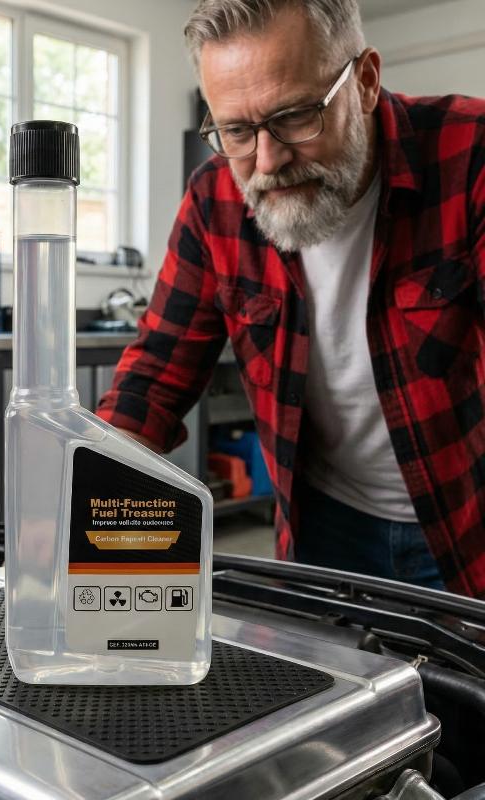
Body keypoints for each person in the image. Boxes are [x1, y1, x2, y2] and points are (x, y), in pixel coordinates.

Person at [95, 0, 485, 597]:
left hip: (467, 523)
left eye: (297, 116)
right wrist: (89, 499)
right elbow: (154, 377)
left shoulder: (471, 154)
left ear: (365, 82)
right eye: (236, 131)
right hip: (324, 526)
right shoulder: (214, 200)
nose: (268, 161)